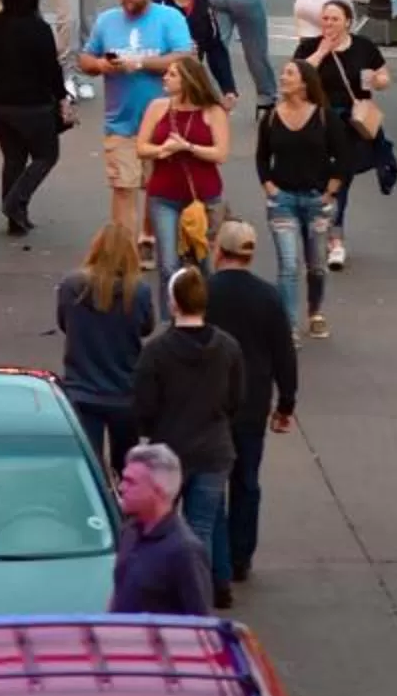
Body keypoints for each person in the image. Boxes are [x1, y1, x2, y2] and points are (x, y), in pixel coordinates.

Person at [130, 265, 243, 608]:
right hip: (213, 449)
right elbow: (236, 399)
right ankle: (201, 597)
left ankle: (158, 593)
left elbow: (143, 405)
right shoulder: (227, 347)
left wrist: (148, 433)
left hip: (171, 450)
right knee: (202, 528)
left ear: (174, 303)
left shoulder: (157, 352)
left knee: (156, 525)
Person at [206, 221, 297, 589]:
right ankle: (241, 555)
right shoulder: (269, 296)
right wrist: (286, 402)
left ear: (219, 251)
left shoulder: (205, 292)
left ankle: (217, 555)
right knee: (246, 480)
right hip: (252, 401)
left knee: (209, 482)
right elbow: (283, 353)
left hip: (209, 401)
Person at [82, 0, 193, 245]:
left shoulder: (169, 19)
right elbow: (85, 58)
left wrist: (141, 63)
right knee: (123, 188)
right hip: (121, 123)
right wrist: (100, 65)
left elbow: (184, 57)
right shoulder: (107, 20)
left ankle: (150, 237)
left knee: (158, 190)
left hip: (164, 123)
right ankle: (125, 252)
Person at [293, 0, 392, 267]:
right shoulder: (309, 47)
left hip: (350, 124)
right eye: (325, 18)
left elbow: (384, 75)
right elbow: (297, 76)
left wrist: (378, 80)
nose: (329, 24)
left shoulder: (363, 47)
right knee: (318, 181)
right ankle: (319, 222)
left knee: (341, 181)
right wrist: (323, 52)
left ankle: (336, 240)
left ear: (348, 22)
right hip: (316, 123)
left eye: (335, 19)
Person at [257, 55, 348, 336]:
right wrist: (270, 187)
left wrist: (331, 190)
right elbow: (262, 157)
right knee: (288, 264)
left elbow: (343, 156)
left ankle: (315, 311)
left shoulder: (324, 116)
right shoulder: (271, 116)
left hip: (315, 200)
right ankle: (290, 326)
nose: (283, 78)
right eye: (284, 74)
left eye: (289, 74)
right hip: (282, 200)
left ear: (304, 84)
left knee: (317, 266)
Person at [138, 52, 230, 314]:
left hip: (205, 196)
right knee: (168, 264)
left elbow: (221, 153)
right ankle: (170, 321)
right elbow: (142, 146)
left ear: (189, 79)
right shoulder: (158, 107)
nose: (165, 77)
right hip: (164, 194)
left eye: (172, 74)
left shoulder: (212, 111)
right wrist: (161, 151)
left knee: (206, 262)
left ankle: (210, 316)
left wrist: (188, 147)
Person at [58, 226, 154, 473]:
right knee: (126, 471)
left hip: (82, 388)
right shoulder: (139, 291)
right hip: (124, 391)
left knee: (90, 469)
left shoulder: (72, 286)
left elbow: (63, 323)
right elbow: (146, 328)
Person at [0, 0, 67, 236]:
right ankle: (15, 202)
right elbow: (51, 69)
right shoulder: (38, 29)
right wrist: (62, 96)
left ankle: (16, 217)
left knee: (14, 157)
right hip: (33, 105)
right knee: (46, 155)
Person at [109, 441, 212, 616]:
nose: (121, 488)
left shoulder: (184, 551)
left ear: (158, 491)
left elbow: (201, 623)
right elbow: (119, 595)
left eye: (130, 482)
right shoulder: (129, 531)